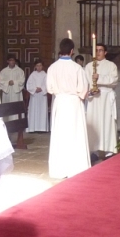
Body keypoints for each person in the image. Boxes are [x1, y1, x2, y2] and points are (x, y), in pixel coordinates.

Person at [46, 38, 90, 178]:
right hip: (74, 103)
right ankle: (76, 167)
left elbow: (50, 88)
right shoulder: (77, 68)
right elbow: (83, 89)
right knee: (75, 134)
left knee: (60, 135)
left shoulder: (52, 67)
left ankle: (59, 168)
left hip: (59, 102)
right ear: (72, 51)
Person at [85, 43, 118, 154]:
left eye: (100, 50)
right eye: (96, 50)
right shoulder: (89, 66)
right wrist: (91, 91)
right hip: (94, 99)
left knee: (107, 122)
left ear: (105, 52)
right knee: (94, 123)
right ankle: (93, 150)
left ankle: (109, 149)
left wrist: (99, 78)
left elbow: (114, 80)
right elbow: (86, 82)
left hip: (106, 98)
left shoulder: (111, 65)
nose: (98, 52)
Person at [0, 54, 25, 118]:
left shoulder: (20, 71)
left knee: (16, 108)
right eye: (10, 60)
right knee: (7, 108)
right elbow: (0, 82)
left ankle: (17, 123)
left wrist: (14, 82)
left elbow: (22, 81)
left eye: (13, 60)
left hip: (16, 93)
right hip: (7, 92)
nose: (12, 62)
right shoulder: (3, 71)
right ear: (8, 61)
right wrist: (8, 82)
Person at [26, 59, 49, 132]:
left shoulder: (45, 75)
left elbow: (47, 84)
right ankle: (33, 128)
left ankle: (42, 128)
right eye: (37, 66)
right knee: (33, 111)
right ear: (35, 66)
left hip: (42, 96)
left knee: (42, 111)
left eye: (40, 66)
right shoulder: (32, 75)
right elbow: (29, 84)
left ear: (42, 66)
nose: (39, 67)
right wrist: (35, 89)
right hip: (34, 95)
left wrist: (42, 88)